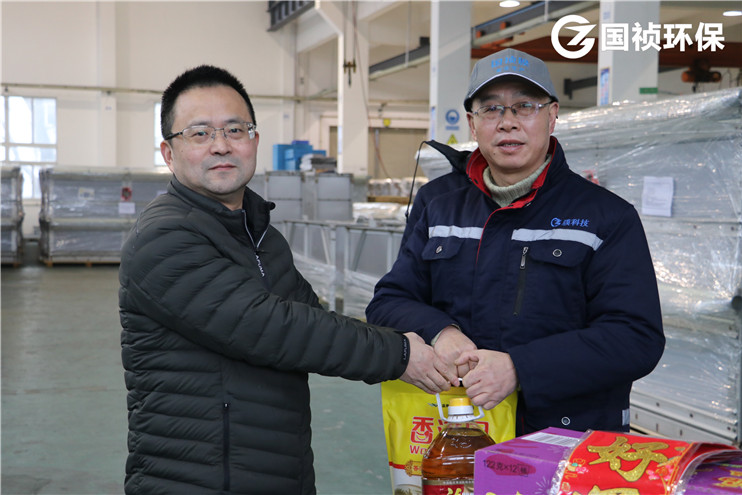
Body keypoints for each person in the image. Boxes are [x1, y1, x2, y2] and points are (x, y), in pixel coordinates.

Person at [119, 64, 457, 495]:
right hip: (199, 477)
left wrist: (431, 333)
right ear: (169, 153)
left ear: (254, 141)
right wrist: (401, 353)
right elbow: (274, 328)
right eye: (200, 133)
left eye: (235, 130)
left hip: (275, 467)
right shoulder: (164, 237)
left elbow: (315, 319)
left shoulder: (259, 233)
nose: (221, 145)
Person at [366, 48, 665, 436]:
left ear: (552, 116)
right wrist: (442, 332)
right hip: (458, 432)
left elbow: (635, 338)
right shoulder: (438, 204)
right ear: (473, 124)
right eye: (491, 109)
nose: (507, 123)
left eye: (524, 107)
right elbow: (389, 301)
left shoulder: (605, 216)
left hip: (563, 439)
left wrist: (520, 368)